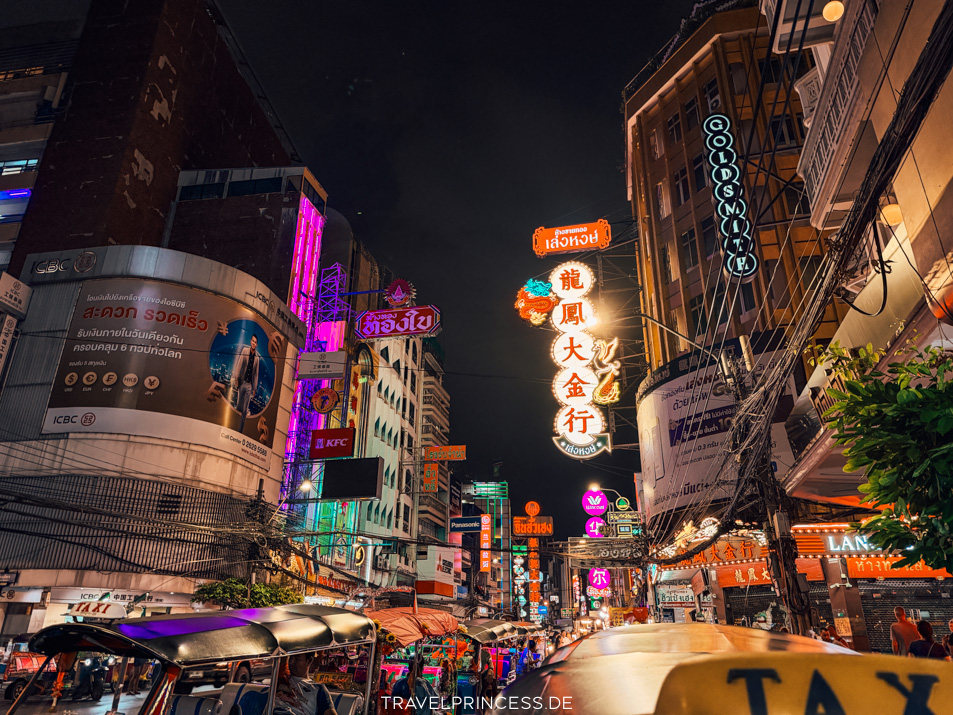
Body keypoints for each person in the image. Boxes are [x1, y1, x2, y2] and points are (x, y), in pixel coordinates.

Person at [274, 652, 338, 715]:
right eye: (291, 658)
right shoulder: (282, 678)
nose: (291, 662)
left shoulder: (317, 688)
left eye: (297, 659)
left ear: (309, 661)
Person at [232, 334, 261, 432]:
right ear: (250, 341)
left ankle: (240, 430)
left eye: (255, 342)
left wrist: (255, 389)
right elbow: (239, 363)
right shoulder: (244, 350)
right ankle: (233, 425)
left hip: (249, 385)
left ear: (256, 345)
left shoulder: (257, 358)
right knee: (239, 406)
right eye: (253, 341)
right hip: (242, 382)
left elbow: (256, 374)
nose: (253, 343)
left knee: (245, 410)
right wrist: (236, 377)